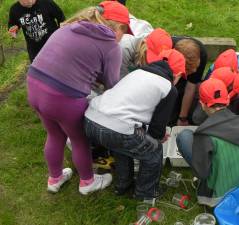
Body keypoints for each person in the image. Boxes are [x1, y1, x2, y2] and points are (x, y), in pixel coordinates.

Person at [26, 1, 132, 195]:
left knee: (55, 134)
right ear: (118, 27)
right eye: (124, 32)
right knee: (79, 140)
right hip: (63, 97)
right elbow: (112, 85)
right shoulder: (110, 45)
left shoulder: (70, 26)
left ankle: (55, 178)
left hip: (34, 85)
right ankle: (87, 182)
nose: (123, 37)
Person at [84, 49, 186, 200]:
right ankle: (146, 191)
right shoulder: (168, 88)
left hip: (91, 119)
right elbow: (157, 127)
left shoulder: (136, 73)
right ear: (177, 74)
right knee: (153, 151)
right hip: (116, 127)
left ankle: (123, 184)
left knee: (121, 146)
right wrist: (157, 137)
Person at [176, 78, 239, 207]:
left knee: (184, 136)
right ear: (227, 100)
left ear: (202, 104)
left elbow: (202, 172)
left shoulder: (204, 134)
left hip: (222, 195)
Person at [120, 33, 207, 126]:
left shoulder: (200, 56)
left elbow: (191, 86)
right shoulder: (161, 54)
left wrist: (182, 117)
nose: (194, 71)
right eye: (186, 70)